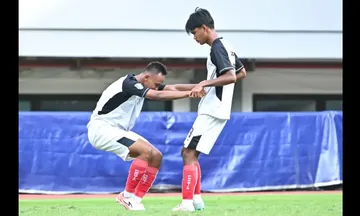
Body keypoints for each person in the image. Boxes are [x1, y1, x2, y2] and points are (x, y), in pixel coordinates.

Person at [86, 61, 204, 211]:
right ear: (147, 77)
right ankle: (126, 196)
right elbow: (158, 94)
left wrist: (203, 85)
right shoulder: (129, 83)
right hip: (101, 129)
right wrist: (190, 94)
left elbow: (172, 88)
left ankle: (136, 200)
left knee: (156, 156)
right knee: (145, 152)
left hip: (117, 130)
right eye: (156, 83)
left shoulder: (146, 84)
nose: (157, 86)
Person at [162, 8, 247, 212]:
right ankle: (196, 200)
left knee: (188, 152)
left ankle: (187, 203)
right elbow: (242, 72)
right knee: (191, 153)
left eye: (194, 32)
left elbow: (232, 76)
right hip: (217, 109)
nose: (194, 37)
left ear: (204, 28)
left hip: (212, 109)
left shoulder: (217, 47)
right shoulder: (227, 46)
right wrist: (209, 86)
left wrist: (204, 84)